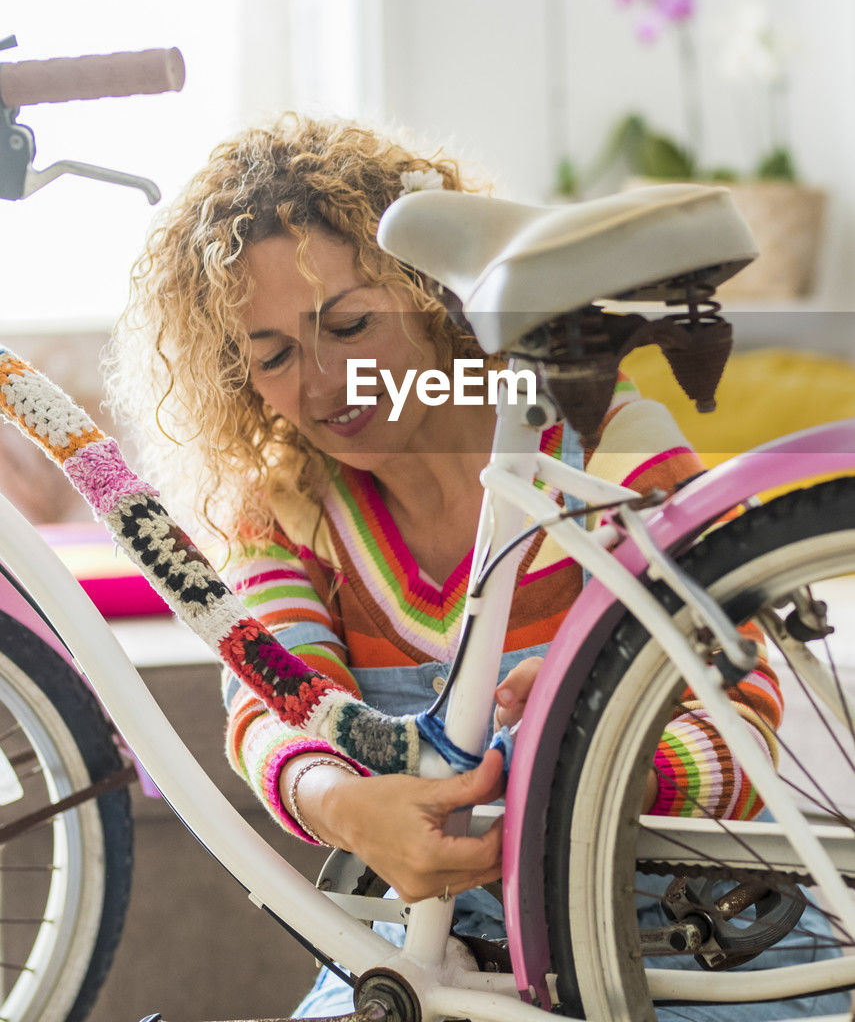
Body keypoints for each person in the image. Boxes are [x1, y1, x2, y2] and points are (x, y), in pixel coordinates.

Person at [107, 115, 842, 1020]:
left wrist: (601, 753)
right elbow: (270, 704)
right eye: (274, 357)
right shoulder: (289, 504)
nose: (325, 384)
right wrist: (345, 809)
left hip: (695, 947)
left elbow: (741, 707)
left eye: (347, 324)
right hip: (431, 956)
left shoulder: (600, 440)